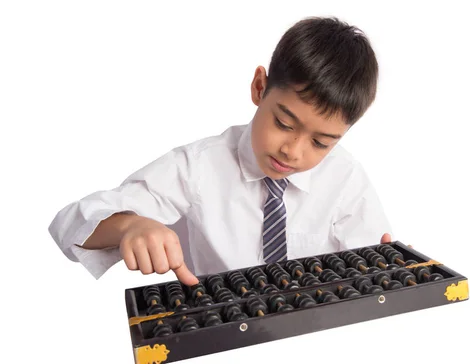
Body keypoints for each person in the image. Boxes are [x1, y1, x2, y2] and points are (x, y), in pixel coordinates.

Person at [48, 16, 394, 287]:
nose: (293, 151)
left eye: (321, 143)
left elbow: (373, 266)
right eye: (284, 124)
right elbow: (68, 226)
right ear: (260, 87)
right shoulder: (197, 168)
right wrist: (130, 226)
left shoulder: (344, 176)